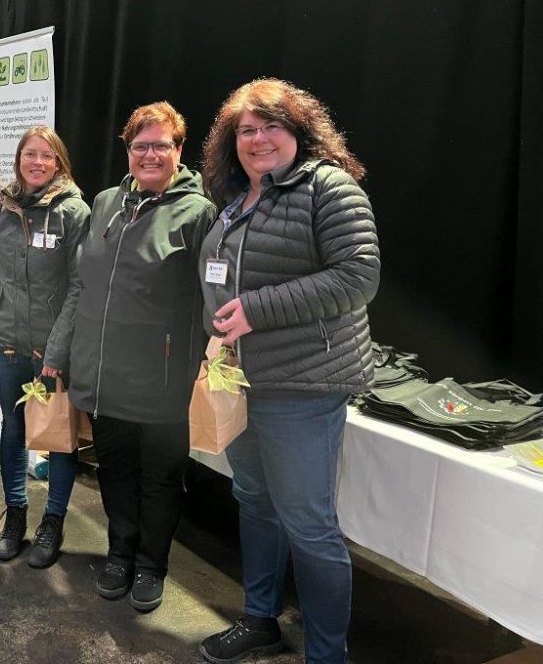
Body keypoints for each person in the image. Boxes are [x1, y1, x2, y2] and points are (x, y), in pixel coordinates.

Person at [196, 78, 380, 664]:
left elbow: (357, 277)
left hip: (304, 386)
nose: (259, 139)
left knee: (309, 524)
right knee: (255, 500)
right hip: (241, 382)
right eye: (246, 130)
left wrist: (256, 310)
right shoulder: (234, 202)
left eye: (271, 126)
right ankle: (260, 620)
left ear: (299, 131)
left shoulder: (328, 187)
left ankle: (327, 655)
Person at [69, 102, 217, 612]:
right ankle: (119, 554)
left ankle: (152, 563)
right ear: (127, 150)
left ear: (179, 150)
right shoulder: (106, 202)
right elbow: (86, 283)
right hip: (105, 371)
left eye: (161, 145)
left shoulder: (198, 212)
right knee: (114, 470)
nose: (150, 154)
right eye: (140, 145)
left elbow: (208, 296)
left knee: (159, 477)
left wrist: (205, 360)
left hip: (164, 376)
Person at [0, 126, 91, 568]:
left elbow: (79, 286)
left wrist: (57, 351)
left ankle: (53, 521)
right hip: (7, 343)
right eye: (29, 155)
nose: (37, 163)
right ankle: (16, 513)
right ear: (19, 159)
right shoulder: (2, 207)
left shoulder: (74, 211)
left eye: (46, 156)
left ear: (58, 162)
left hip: (51, 349)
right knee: (14, 428)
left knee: (58, 434)